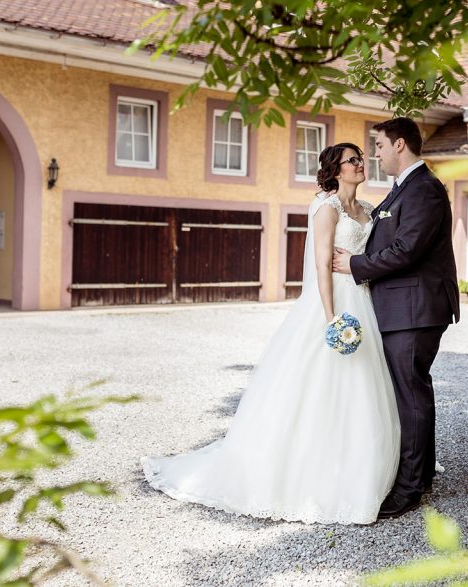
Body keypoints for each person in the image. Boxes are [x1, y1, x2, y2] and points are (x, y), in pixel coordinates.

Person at [142, 143, 400, 525]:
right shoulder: (326, 208)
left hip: (363, 300)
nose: (361, 164)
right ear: (335, 169)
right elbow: (321, 267)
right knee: (319, 385)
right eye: (352, 160)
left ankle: (364, 466)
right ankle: (307, 474)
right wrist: (332, 319)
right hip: (334, 305)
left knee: (365, 384)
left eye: (361, 158)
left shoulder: (367, 211)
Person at [333, 117, 460, 520]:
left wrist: (356, 264)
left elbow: (407, 249)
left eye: (380, 146)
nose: (376, 154)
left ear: (400, 144)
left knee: (411, 396)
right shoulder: (403, 190)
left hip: (415, 310)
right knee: (412, 394)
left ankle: (409, 489)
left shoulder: (423, 189)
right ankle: (418, 475)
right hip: (403, 309)